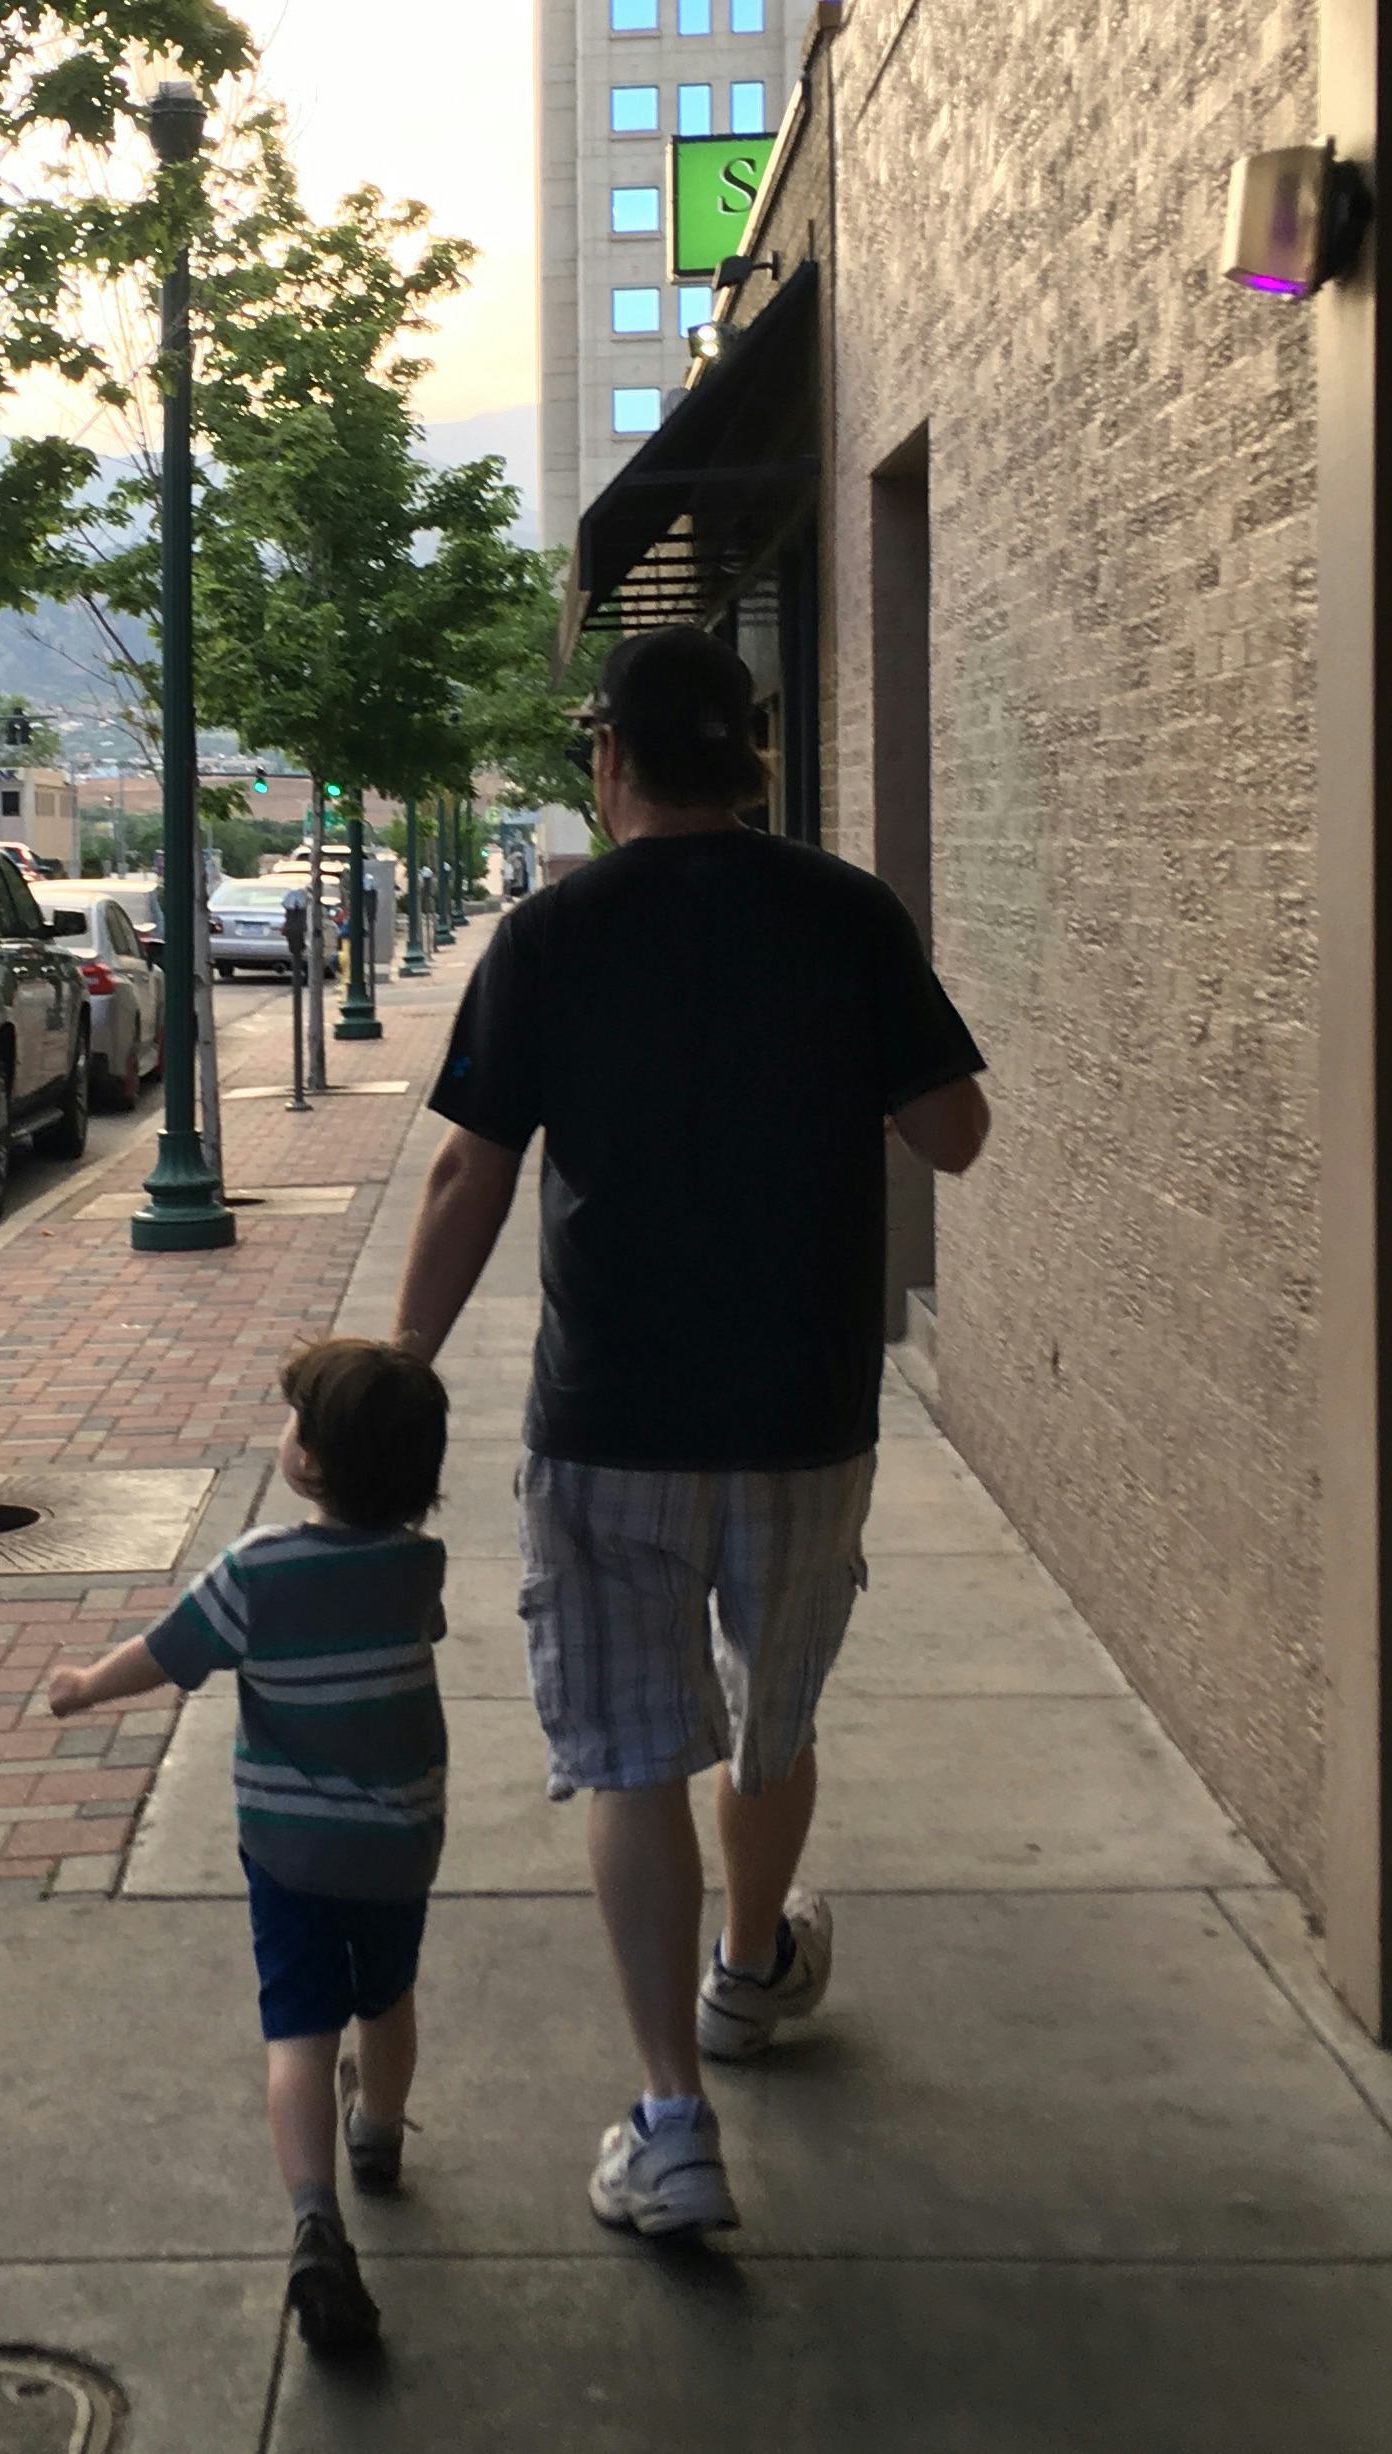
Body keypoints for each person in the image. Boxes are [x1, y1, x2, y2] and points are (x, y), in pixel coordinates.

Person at [390, 626, 990, 2241]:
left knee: (633, 1752)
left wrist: (400, 1361)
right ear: (753, 759)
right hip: (803, 1409)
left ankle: (671, 2119)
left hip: (612, 1415)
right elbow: (955, 1131)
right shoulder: (847, 914)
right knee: (769, 1722)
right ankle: (746, 1968)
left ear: (609, 760)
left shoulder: (551, 931)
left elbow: (468, 1170)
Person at [47, 1337, 451, 2354]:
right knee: (387, 1999)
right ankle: (378, 2136)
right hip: (398, 1846)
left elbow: (168, 1653)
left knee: (300, 2036)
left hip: (290, 1854)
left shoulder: (259, 1569)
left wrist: (85, 1686)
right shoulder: (418, 1566)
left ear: (307, 1459)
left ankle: (315, 2219)